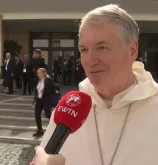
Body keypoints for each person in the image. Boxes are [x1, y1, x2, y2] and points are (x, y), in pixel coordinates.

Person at [32, 4, 158, 165]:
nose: (90, 60)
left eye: (102, 47)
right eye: (84, 50)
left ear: (132, 50)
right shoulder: (68, 110)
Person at [33, 68, 55, 137]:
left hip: (46, 100)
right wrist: (34, 100)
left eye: (39, 73)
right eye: (37, 73)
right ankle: (40, 130)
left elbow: (52, 90)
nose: (38, 74)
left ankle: (55, 126)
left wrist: (44, 91)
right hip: (39, 100)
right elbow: (36, 91)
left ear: (43, 73)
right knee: (37, 115)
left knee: (48, 114)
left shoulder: (49, 80)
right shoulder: (38, 81)